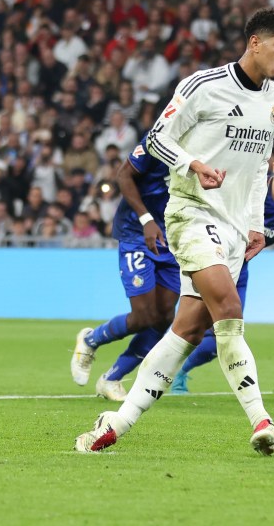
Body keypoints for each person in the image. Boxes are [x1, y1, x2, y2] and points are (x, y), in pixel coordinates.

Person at [76, 8, 274, 456]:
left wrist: (256, 224)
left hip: (238, 227)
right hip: (190, 213)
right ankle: (261, 420)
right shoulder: (204, 86)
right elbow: (158, 138)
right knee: (229, 305)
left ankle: (116, 422)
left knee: (186, 331)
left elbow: (261, 164)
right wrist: (192, 164)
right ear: (254, 43)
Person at [170, 142, 274, 393]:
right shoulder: (253, 187)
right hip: (212, 259)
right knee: (188, 329)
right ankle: (155, 375)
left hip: (240, 267)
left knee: (224, 336)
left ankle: (179, 372)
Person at [69, 135, 180, 400]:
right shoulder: (161, 137)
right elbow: (123, 176)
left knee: (164, 318)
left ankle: (112, 378)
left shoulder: (211, 145)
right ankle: (91, 340)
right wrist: (146, 219)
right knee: (143, 317)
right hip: (137, 234)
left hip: (174, 237)